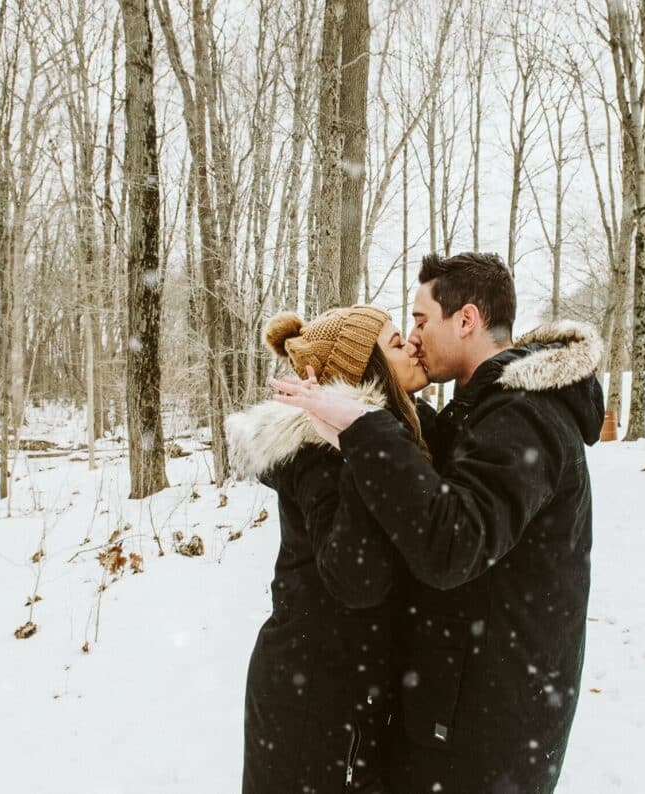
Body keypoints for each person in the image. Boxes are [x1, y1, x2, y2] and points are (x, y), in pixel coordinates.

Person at [272, 252, 605, 794]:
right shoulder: (484, 411)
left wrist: (364, 426)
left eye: (422, 321)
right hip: (462, 714)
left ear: (467, 320)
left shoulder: (522, 415)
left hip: (488, 730)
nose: (416, 338)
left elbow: (453, 543)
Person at [225, 304, 429, 794]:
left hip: (344, 691)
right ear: (365, 372)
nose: (413, 346)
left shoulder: (384, 434)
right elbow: (357, 579)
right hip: (311, 701)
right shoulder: (322, 452)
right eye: (397, 342)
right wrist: (355, 444)